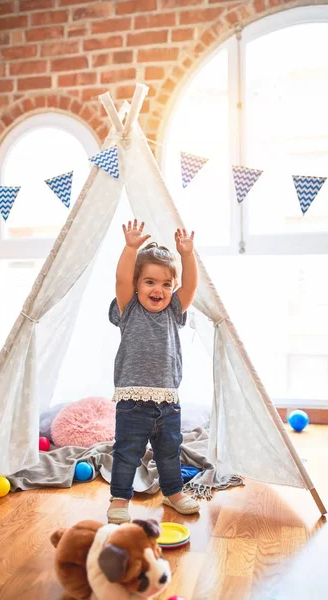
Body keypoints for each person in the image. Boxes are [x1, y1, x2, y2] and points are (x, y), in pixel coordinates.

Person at [107, 218, 200, 524]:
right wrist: (130, 248)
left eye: (165, 284)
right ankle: (119, 500)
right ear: (136, 285)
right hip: (132, 402)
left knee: (170, 452)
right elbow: (121, 278)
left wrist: (187, 255)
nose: (158, 290)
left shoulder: (174, 309)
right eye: (149, 282)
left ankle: (173, 494)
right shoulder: (129, 308)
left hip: (168, 402)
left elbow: (192, 286)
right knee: (126, 453)